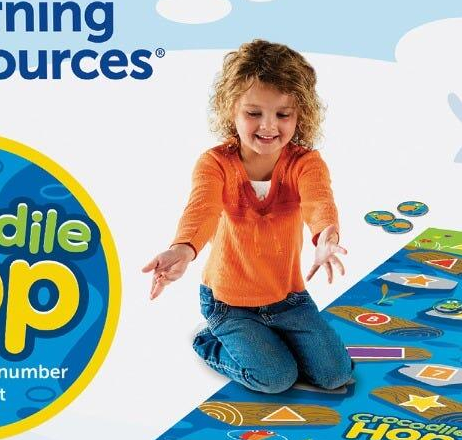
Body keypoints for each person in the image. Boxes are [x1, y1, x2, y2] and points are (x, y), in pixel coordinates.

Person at [142, 39, 354, 395]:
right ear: (231, 111)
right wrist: (183, 249)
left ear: (300, 115)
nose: (268, 126)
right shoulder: (215, 163)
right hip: (230, 303)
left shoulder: (305, 163)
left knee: (336, 375)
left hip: (287, 298)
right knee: (276, 379)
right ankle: (209, 341)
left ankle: (268, 342)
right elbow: (202, 208)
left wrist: (326, 237)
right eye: (254, 113)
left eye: (282, 115)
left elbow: (319, 200)